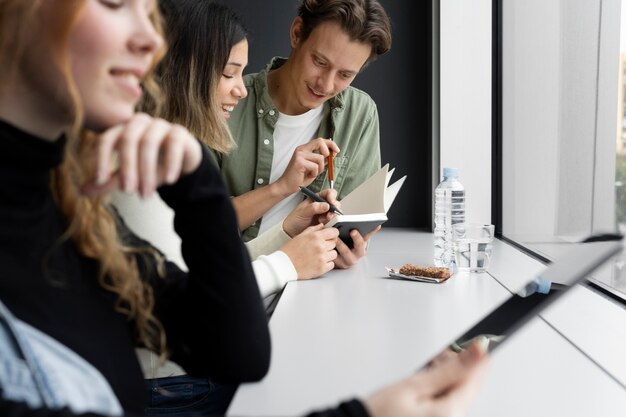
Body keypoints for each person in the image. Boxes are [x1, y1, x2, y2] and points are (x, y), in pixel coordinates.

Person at [0, 1, 490, 416]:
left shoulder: (76, 217)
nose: (151, 40)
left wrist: (196, 180)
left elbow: (238, 351)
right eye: (113, 3)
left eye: (149, 11)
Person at [110, 1, 341, 414]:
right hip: (174, 386)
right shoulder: (145, 167)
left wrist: (287, 231)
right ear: (186, 71)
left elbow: (204, 280)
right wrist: (286, 264)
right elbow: (195, 309)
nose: (240, 88)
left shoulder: (171, 152)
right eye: (229, 73)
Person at [214, 0, 392, 270]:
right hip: (232, 281)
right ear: (297, 33)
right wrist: (281, 187)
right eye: (319, 61)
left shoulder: (360, 113)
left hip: (313, 286)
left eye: (345, 75)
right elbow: (196, 225)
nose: (326, 84)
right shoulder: (225, 102)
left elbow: (354, 226)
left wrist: (350, 248)